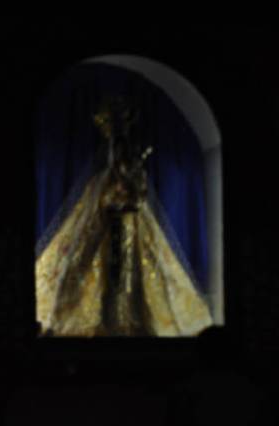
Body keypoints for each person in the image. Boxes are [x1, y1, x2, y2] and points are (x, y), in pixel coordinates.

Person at [36, 99, 212, 337]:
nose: (120, 156)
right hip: (107, 231)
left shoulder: (135, 175)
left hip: (133, 228)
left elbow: (139, 198)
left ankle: (133, 318)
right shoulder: (101, 181)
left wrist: (132, 183)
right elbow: (98, 207)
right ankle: (104, 317)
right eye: (116, 151)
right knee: (105, 277)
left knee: (133, 276)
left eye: (123, 151)